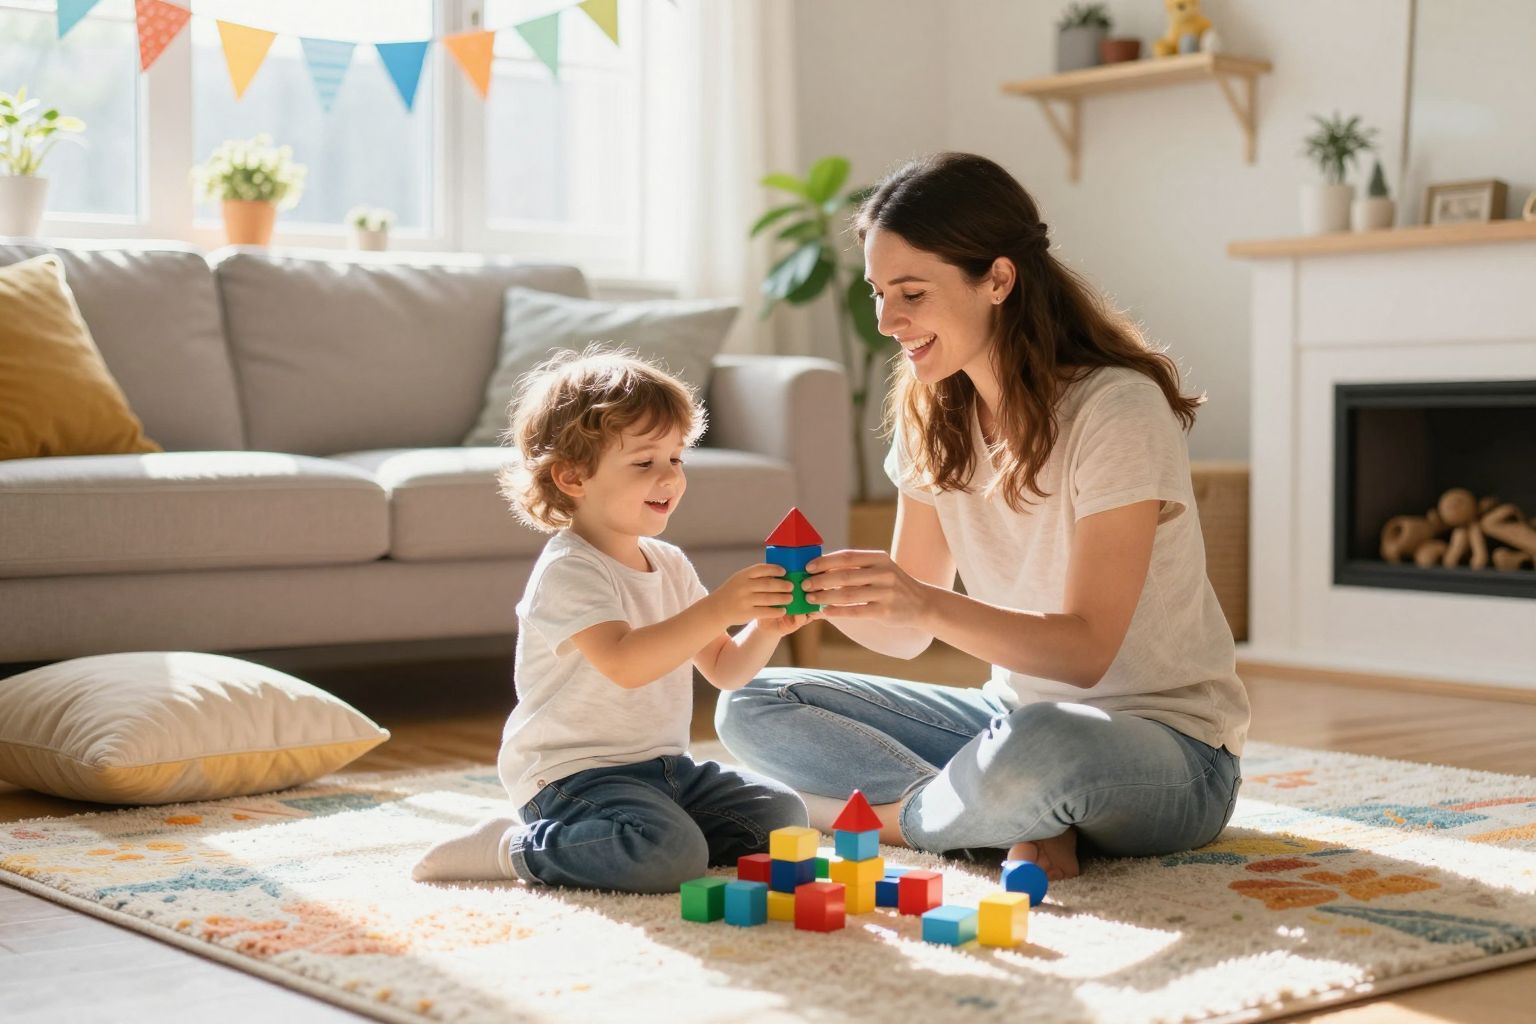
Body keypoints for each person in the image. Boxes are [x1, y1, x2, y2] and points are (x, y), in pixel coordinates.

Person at [714, 152, 1248, 881]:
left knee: (1044, 746)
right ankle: (1010, 815)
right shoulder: (930, 410)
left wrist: (926, 603)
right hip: (1005, 724)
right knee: (751, 704)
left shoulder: (1115, 409)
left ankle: (886, 820)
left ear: (998, 279)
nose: (886, 320)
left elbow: (1086, 652)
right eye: (877, 293)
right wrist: (816, 603)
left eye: (910, 293)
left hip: (1169, 750)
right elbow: (903, 636)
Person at [412, 348, 811, 893]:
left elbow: (724, 668)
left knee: (781, 815)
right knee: (669, 855)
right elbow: (625, 662)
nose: (669, 476)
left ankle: (637, 840)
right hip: (572, 775)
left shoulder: (669, 563)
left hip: (665, 768)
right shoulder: (569, 570)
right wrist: (719, 606)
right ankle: (514, 848)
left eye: (677, 458)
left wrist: (765, 627)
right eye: (645, 462)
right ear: (572, 477)